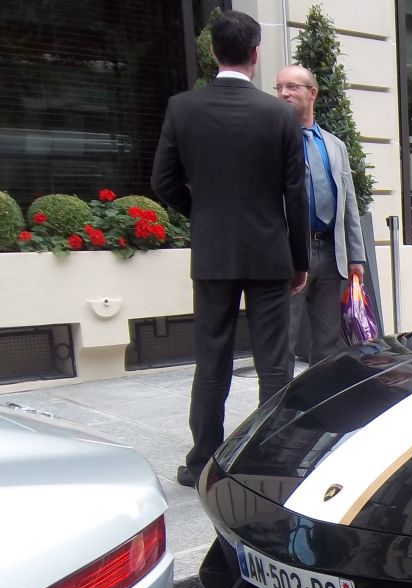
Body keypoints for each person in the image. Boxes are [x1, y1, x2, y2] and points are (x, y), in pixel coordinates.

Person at [151, 11, 309, 488]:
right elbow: (295, 193)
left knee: (212, 359)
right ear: (256, 54)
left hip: (214, 254)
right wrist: (299, 260)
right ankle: (272, 456)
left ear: (213, 52)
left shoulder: (182, 108)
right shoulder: (280, 113)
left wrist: (203, 216)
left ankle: (202, 459)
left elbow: (163, 182)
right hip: (267, 253)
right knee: (274, 363)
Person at [274, 65, 366, 366]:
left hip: (330, 252)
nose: (284, 93)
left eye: (292, 87)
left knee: (327, 342)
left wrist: (357, 257)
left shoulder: (335, 146)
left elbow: (348, 204)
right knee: (282, 339)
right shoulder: (272, 140)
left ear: (312, 93)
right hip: (288, 253)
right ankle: (281, 407)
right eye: (280, 88)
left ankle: (321, 405)